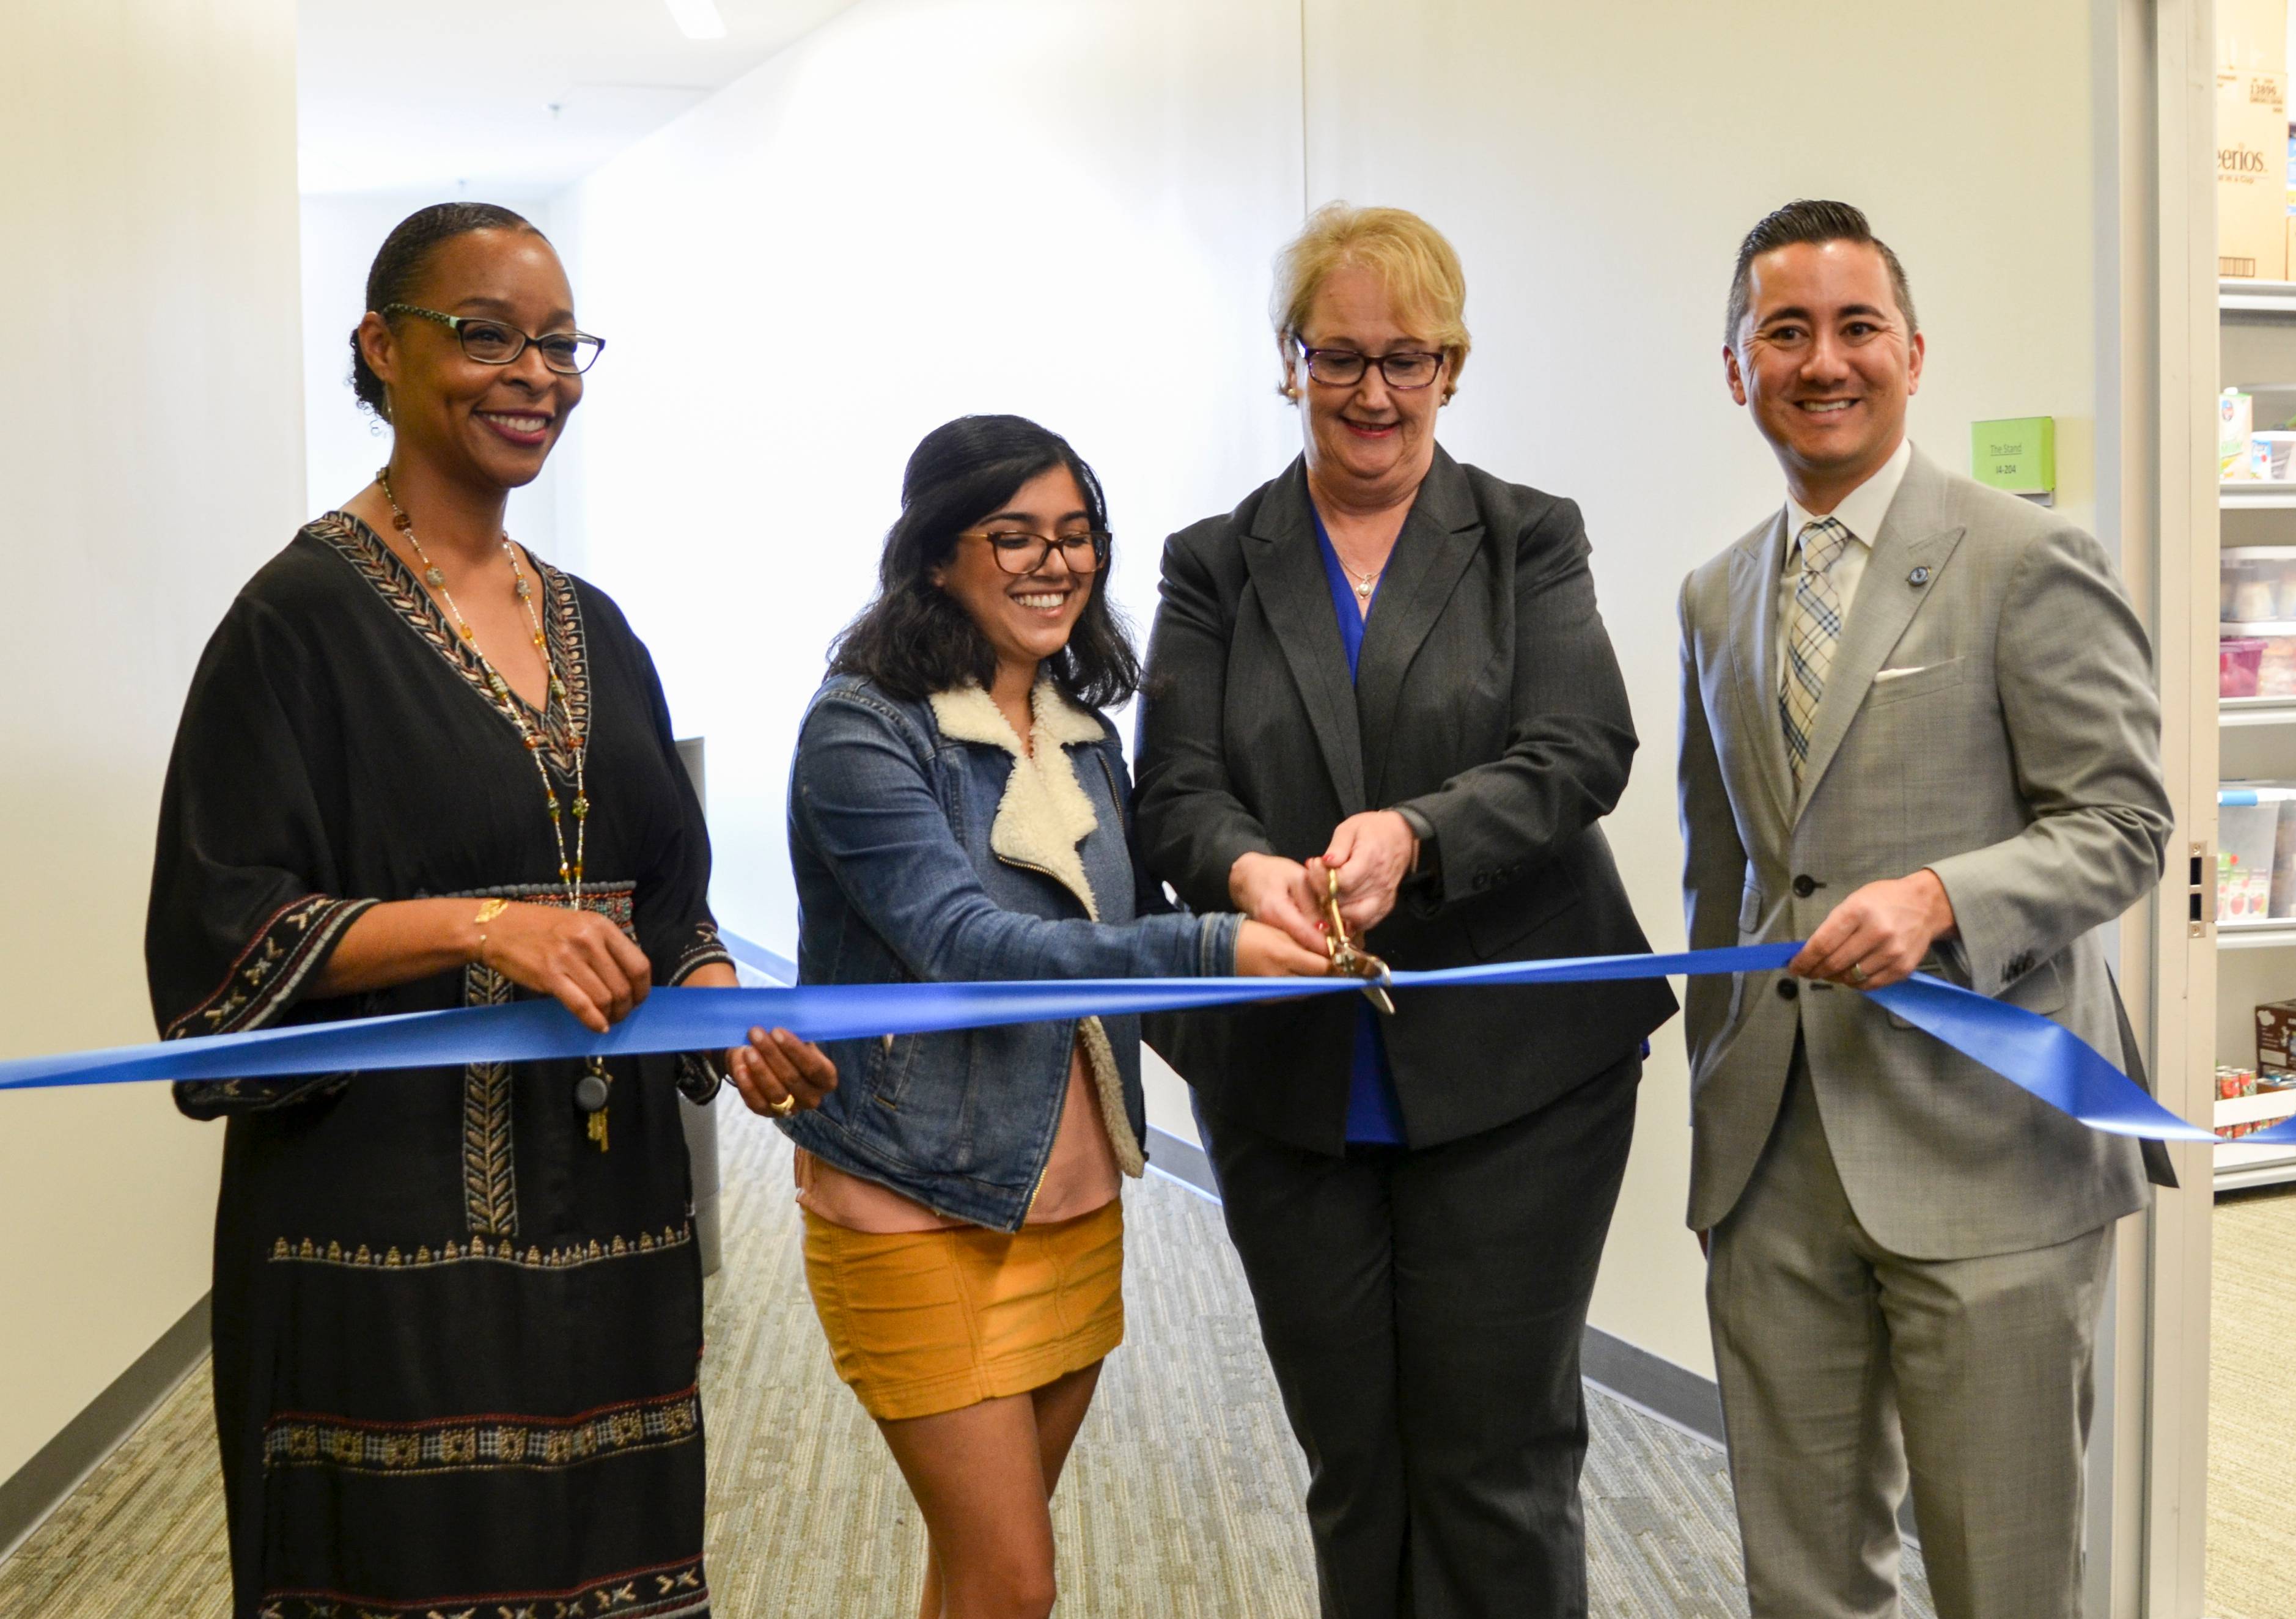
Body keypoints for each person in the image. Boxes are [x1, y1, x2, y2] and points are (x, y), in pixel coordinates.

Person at [146, 201, 832, 1619]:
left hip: (615, 1231)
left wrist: (725, 1010)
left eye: (561, 343)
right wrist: (477, 924)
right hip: (386, 1252)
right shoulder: (297, 620)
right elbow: (220, 931)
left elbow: (671, 899)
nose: (536, 373)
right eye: (487, 335)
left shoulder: (598, 623)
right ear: (380, 349)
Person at [1133, 204, 1677, 1618]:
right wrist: (1252, 870)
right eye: (1340, 355)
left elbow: (1581, 749)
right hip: (1291, 1075)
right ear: (1288, 358)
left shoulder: (1525, 540)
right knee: (1353, 1459)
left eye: (1407, 358)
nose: (1372, 391)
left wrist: (1417, 836)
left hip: (1521, 1073)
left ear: (1453, 364)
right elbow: (1176, 793)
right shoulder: (1213, 563)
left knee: (1497, 1457)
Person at [1676, 199, 2175, 1619]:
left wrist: (1940, 895)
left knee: (2001, 1577)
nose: (1821, 360)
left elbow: (2124, 825)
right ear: (1736, 368)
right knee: (1804, 1576)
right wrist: (1719, 1114)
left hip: (1989, 1152)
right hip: (1776, 1166)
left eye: (1853, 327)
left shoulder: (2024, 558)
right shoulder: (1715, 597)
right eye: (1784, 331)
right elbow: (1728, 876)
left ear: (1910, 351)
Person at [782, 414, 1331, 1619]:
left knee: (985, 1577)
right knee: (1013, 1582)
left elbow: (1124, 922)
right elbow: (967, 946)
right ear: (936, 555)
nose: (1053, 563)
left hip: (1072, 1196)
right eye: (1013, 535)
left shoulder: (1083, 737)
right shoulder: (861, 730)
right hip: (920, 1200)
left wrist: (1280, 900)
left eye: (1077, 536)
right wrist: (1211, 945)